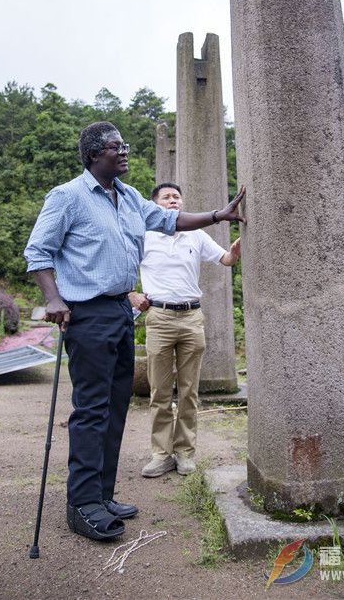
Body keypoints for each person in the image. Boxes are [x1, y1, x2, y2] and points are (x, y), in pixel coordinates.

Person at [24, 121, 245, 543]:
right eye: (115, 146)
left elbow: (171, 219)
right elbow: (38, 252)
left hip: (121, 314)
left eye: (124, 145)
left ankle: (103, 495)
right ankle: (82, 504)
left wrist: (218, 215)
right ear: (93, 154)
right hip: (86, 314)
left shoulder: (128, 198)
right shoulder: (67, 197)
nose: (124, 151)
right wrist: (53, 299)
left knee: (116, 407)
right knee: (91, 409)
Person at [130, 182, 241, 478]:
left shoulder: (196, 234)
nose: (172, 201)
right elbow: (124, 273)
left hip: (192, 317)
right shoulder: (144, 236)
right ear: (155, 206)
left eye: (177, 197)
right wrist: (133, 295)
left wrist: (235, 251)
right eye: (166, 197)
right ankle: (160, 453)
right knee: (160, 392)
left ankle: (185, 453)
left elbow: (226, 260)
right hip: (159, 318)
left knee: (190, 392)